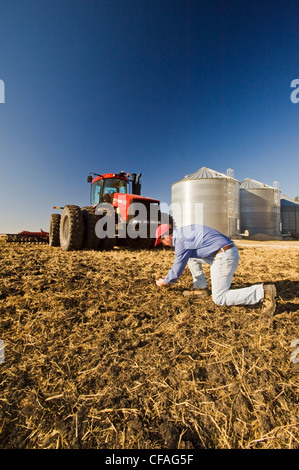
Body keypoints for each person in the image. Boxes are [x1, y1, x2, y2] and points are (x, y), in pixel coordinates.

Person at [154, 223, 276, 315]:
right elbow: (184, 259)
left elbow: (178, 266)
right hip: (224, 251)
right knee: (190, 258)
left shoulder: (181, 240)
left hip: (224, 255)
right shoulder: (184, 232)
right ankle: (201, 287)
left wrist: (166, 281)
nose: (163, 244)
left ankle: (262, 292)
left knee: (219, 298)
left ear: (166, 236)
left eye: (162, 241)